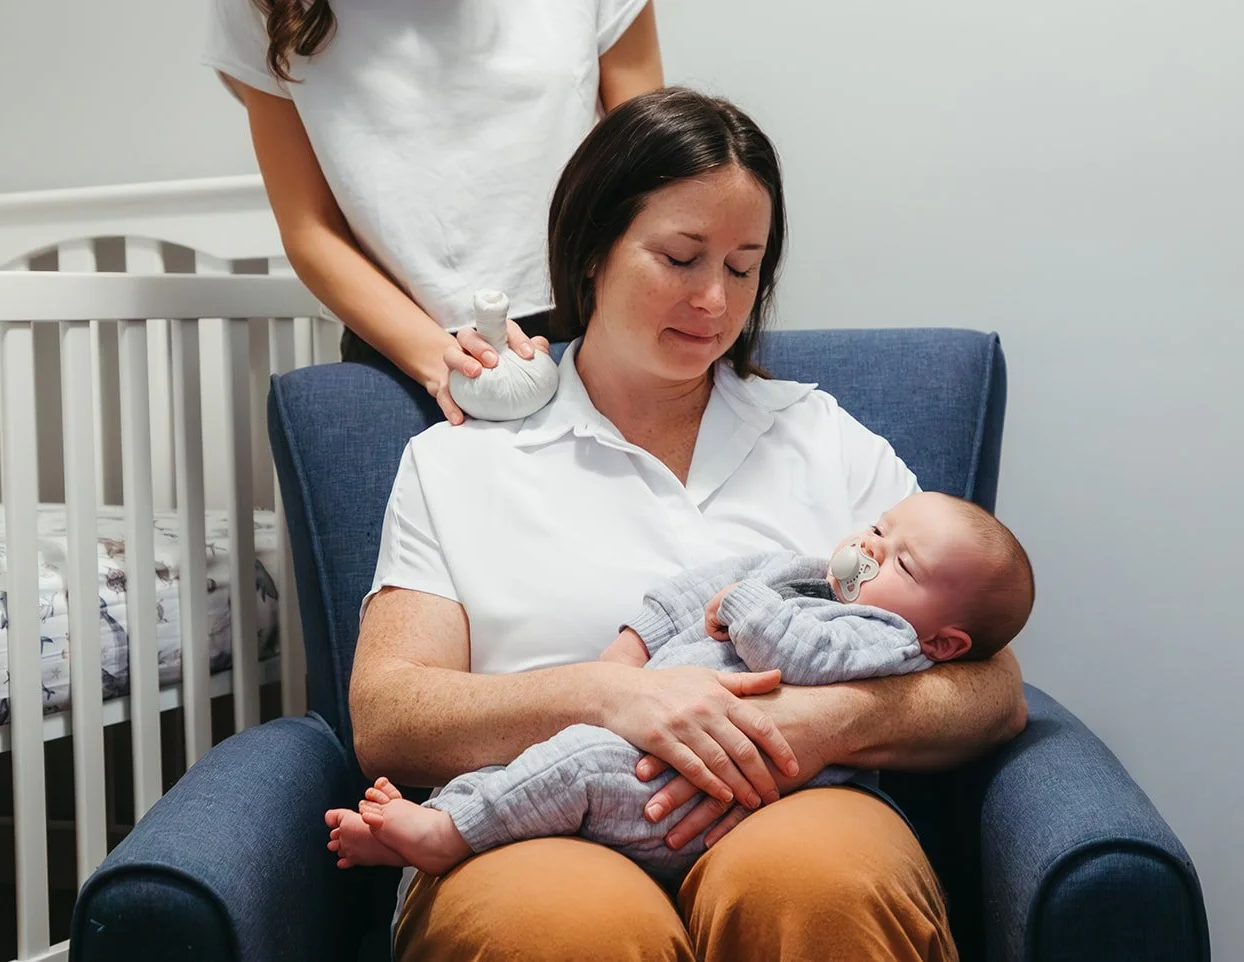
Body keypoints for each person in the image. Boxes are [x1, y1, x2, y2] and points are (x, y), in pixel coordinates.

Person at [349, 87, 1029, 961]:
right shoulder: (458, 463)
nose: (714, 298)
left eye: (743, 268)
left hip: (795, 810)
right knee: (567, 930)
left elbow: (992, 688)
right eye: (680, 257)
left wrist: (805, 728)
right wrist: (612, 697)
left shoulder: (825, 439)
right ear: (592, 248)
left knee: (820, 884)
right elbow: (390, 713)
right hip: (528, 828)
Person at [325, 491, 1035, 881]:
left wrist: (751, 617)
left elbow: (804, 648)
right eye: (878, 528)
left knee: (574, 766)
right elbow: (704, 584)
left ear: (944, 642)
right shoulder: (818, 576)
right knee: (550, 763)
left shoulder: (888, 637)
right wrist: (620, 667)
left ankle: (450, 832)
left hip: (681, 792)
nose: (870, 547)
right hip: (640, 749)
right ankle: (452, 810)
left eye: (899, 561)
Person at [202, 0, 664, 423]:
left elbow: (653, 179)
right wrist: (442, 362)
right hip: (402, 351)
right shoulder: (257, 7)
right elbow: (310, 227)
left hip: (594, 329)